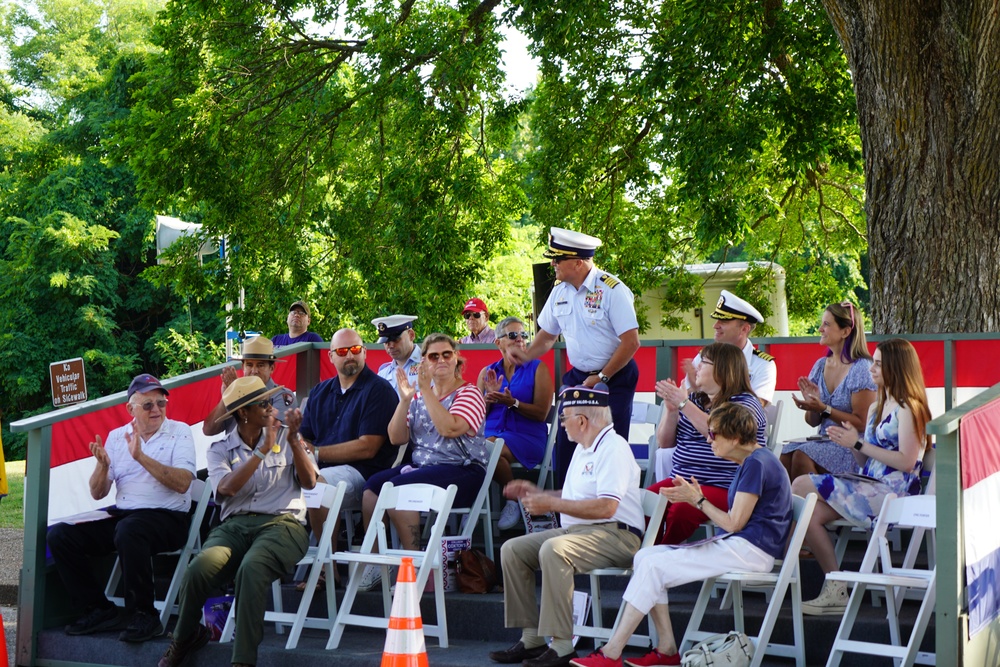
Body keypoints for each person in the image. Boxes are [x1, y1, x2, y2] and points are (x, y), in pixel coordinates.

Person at [568, 402, 793, 667]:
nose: (708, 439)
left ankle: (612, 652)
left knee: (652, 563)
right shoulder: (752, 461)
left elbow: (734, 523)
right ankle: (666, 648)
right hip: (741, 546)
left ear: (734, 438)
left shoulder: (757, 463)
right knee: (645, 556)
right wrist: (696, 498)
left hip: (751, 550)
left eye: (714, 434)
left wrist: (697, 500)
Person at [157, 376, 318, 667]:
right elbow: (227, 488)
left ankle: (242, 661)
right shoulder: (219, 449)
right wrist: (260, 452)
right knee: (198, 568)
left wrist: (293, 441)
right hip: (234, 526)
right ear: (243, 413)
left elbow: (309, 482)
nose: (272, 408)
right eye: (264, 403)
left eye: (271, 401)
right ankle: (184, 638)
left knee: (252, 568)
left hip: (283, 524)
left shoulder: (287, 435)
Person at [489, 384, 644, 667]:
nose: (561, 424)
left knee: (553, 549)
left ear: (582, 421)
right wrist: (538, 493)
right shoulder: (584, 447)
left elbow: (607, 507)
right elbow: (574, 498)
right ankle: (532, 639)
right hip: (582, 532)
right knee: (513, 549)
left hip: (617, 534)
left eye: (564, 418)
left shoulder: (613, 448)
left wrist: (552, 505)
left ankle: (561, 646)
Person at [48, 374, 196, 643]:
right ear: (131, 408)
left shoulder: (180, 431)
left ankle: (145, 615)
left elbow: (184, 483)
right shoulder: (117, 437)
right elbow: (97, 493)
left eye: (161, 403)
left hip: (167, 517)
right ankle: (99, 609)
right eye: (148, 405)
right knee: (60, 534)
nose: (156, 410)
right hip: (125, 514)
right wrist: (102, 466)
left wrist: (140, 456)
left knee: (130, 530)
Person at [793, 338, 931, 616]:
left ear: (897, 367)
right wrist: (850, 442)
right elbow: (864, 460)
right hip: (869, 484)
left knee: (800, 484)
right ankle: (836, 587)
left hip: (895, 493)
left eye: (879, 364)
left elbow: (906, 462)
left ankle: (814, 571)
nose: (872, 368)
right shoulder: (875, 407)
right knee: (810, 513)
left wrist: (858, 444)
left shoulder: (910, 408)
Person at [510, 227, 640, 488]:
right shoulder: (560, 292)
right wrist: (524, 356)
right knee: (567, 446)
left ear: (578, 262)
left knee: (607, 447)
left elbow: (631, 342)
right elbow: (547, 337)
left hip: (613, 377)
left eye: (558, 259)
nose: (553, 264)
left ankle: (610, 517)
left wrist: (602, 377)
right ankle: (566, 512)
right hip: (579, 377)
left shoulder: (612, 289)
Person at [359, 333, 491, 590]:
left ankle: (413, 564)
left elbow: (449, 428)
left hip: (463, 470)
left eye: (446, 354)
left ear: (456, 360)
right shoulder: (419, 397)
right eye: (433, 356)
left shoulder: (470, 393)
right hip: (425, 469)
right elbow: (396, 437)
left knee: (399, 489)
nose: (441, 359)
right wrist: (406, 399)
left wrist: (425, 391)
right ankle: (375, 563)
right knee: (372, 488)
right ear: (425, 364)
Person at [295, 328, 398, 588]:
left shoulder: (379, 390)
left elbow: (367, 448)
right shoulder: (319, 392)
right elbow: (304, 437)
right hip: (321, 470)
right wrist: (307, 452)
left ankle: (327, 569)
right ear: (331, 356)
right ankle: (271, 557)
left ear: (364, 352)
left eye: (355, 349)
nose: (349, 355)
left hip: (362, 473)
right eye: (342, 351)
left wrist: (315, 453)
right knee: (278, 479)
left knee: (316, 485)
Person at [650, 342, 766, 545]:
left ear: (722, 369)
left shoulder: (744, 403)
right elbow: (665, 443)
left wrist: (684, 405)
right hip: (683, 478)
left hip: (724, 485)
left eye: (703, 362)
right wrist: (671, 411)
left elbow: (722, 433)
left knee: (681, 509)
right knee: (644, 500)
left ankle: (663, 554)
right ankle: (647, 551)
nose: (697, 367)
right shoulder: (694, 399)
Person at [782, 301, 877, 479]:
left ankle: (814, 505)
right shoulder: (820, 365)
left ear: (845, 332)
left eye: (826, 324)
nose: (820, 329)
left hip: (853, 448)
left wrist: (825, 408)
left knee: (802, 456)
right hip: (824, 442)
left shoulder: (862, 368)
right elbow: (812, 422)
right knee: (785, 455)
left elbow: (862, 422)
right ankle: (795, 505)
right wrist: (812, 405)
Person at [477, 316, 555, 530]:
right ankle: (508, 500)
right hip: (493, 436)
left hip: (527, 436)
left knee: (487, 447)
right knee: (484, 448)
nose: (520, 339)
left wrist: (514, 403)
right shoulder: (487, 372)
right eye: (512, 335)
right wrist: (489, 398)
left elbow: (541, 413)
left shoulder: (538, 368)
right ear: (498, 342)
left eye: (524, 335)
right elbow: (477, 417)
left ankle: (496, 504)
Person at [683, 290, 777, 405]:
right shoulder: (704, 357)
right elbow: (686, 395)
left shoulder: (762, 364)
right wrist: (694, 388)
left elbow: (754, 408)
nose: (715, 326)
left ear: (744, 329)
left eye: (723, 321)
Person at [203, 336, 297, 435]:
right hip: (230, 449)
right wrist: (226, 397)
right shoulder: (236, 391)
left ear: (272, 368)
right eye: (249, 365)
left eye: (260, 365)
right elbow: (208, 430)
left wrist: (237, 395)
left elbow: (265, 433)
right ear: (243, 367)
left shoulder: (283, 396)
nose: (254, 371)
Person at [373, 314, 422, 394]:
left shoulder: (430, 365)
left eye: (396, 339)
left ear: (411, 335)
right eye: (386, 342)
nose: (391, 346)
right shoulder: (383, 374)